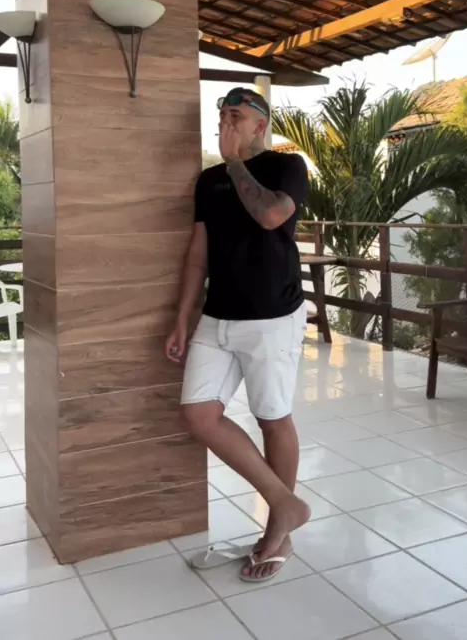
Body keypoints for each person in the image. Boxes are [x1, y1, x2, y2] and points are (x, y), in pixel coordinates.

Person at [166, 87, 311, 582]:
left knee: (273, 418)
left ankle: (278, 532)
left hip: (272, 316)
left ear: (260, 125)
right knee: (197, 414)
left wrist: (234, 165)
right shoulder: (208, 181)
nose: (225, 124)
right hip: (218, 316)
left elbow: (271, 216)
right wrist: (183, 316)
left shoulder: (286, 167)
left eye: (235, 116)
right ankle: (285, 504)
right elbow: (197, 255)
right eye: (221, 116)